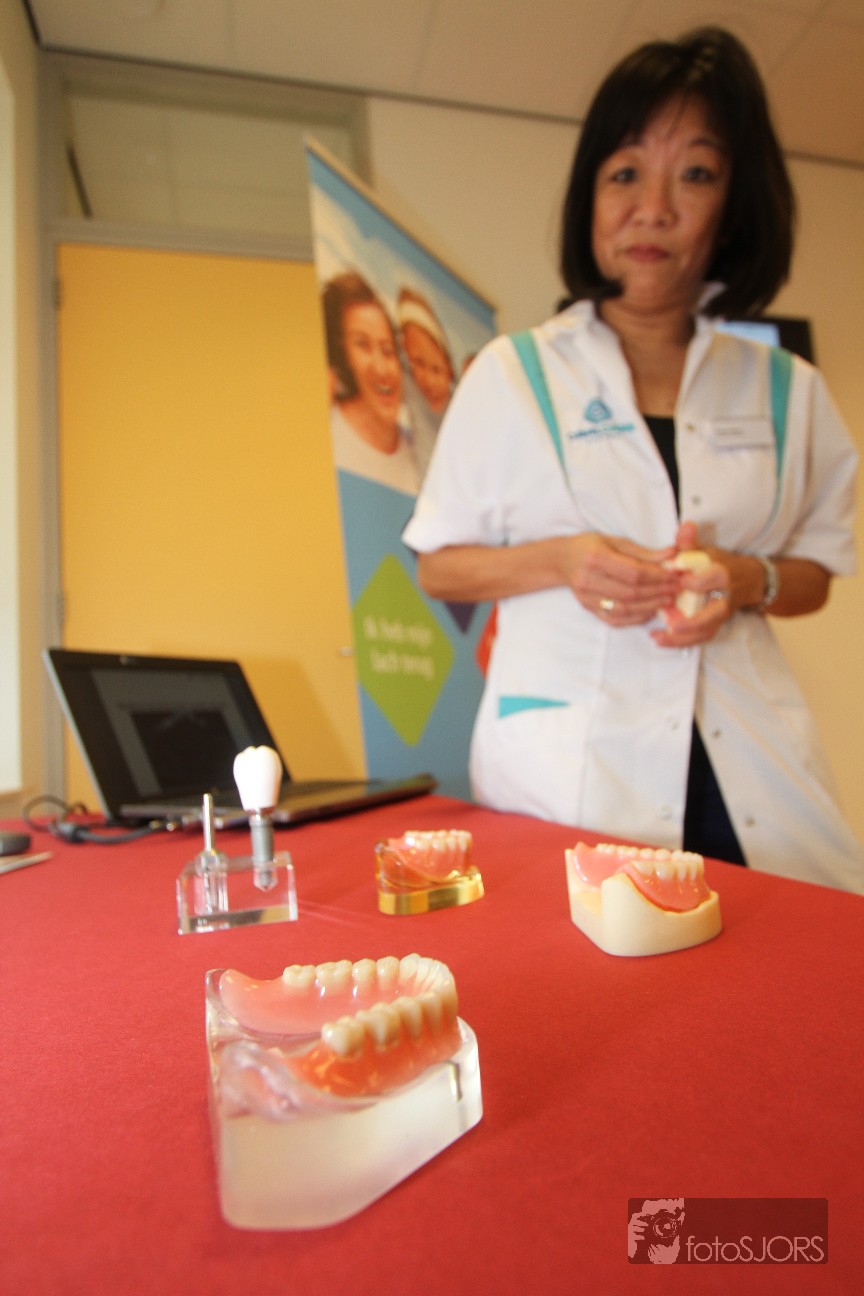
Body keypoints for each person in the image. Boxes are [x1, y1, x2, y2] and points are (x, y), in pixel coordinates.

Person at [402, 27, 864, 892]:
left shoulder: (787, 389)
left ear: (734, 206)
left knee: (787, 956)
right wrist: (562, 560)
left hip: (745, 761)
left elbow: (815, 575)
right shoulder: (513, 373)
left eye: (696, 173)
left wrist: (745, 577)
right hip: (572, 760)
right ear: (590, 195)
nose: (653, 207)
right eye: (625, 173)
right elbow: (439, 567)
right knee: (583, 960)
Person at [322, 270, 419, 494]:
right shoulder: (325, 432)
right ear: (342, 355)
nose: (381, 369)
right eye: (362, 345)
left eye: (387, 350)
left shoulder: (418, 452)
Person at [397, 287, 456, 479]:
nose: (429, 381)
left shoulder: (457, 409)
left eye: (437, 369)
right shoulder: (408, 387)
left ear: (449, 369)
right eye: (418, 363)